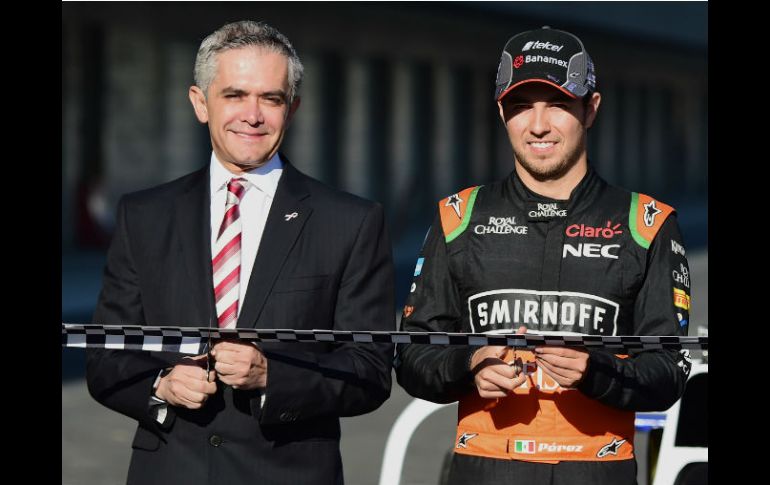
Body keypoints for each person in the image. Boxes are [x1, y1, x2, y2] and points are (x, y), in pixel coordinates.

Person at [86, 20, 394, 485]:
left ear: (292, 110)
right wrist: (161, 385)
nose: (252, 115)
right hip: (169, 469)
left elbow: (369, 370)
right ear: (199, 103)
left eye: (270, 98)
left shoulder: (350, 222)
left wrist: (274, 376)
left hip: (288, 471)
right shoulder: (144, 216)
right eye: (234, 95)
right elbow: (106, 355)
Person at [395, 26, 692, 485]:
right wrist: (468, 365)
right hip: (483, 470)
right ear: (500, 112)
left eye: (557, 104)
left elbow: (670, 373)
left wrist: (599, 371)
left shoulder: (647, 223)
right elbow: (412, 359)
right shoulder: (458, 217)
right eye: (520, 106)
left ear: (590, 109)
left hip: (598, 470)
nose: (537, 125)